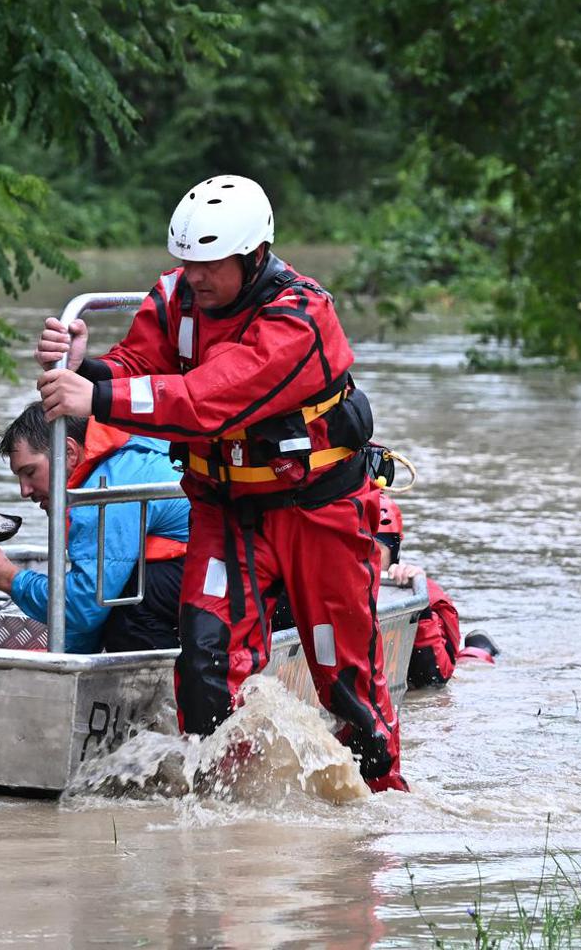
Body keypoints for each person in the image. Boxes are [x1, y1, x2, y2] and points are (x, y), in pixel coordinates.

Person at [33, 174, 408, 792]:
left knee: (346, 678)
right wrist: (88, 364)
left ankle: (376, 818)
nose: (195, 276)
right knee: (205, 660)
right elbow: (141, 364)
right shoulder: (176, 298)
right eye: (187, 262)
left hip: (319, 513)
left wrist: (95, 395)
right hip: (227, 510)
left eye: (210, 264)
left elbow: (211, 399)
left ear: (254, 255)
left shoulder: (301, 318)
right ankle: (220, 813)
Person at [0, 402, 190, 653]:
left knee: (130, 599)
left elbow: (84, 606)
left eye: (30, 472)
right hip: (220, 570)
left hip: (218, 580)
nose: (25, 491)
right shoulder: (129, 449)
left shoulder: (103, 494)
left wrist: (8, 578)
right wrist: (61, 664)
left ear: (69, 452)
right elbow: (86, 612)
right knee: (115, 590)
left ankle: (150, 689)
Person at [372, 493, 499, 685]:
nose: (360, 561)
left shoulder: (415, 592)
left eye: (373, 549)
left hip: (439, 665)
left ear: (394, 553)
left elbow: (434, 679)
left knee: (468, 669)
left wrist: (417, 602)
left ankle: (479, 650)